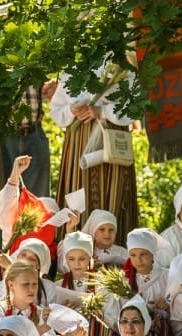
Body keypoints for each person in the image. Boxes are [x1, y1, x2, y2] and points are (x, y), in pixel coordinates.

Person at [50, 64, 138, 237]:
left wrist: (102, 111)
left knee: (115, 192)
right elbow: (57, 108)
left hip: (112, 136)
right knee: (78, 191)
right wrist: (71, 109)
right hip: (78, 139)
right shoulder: (74, 66)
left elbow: (134, 106)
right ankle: (75, 253)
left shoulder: (123, 65)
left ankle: (115, 252)